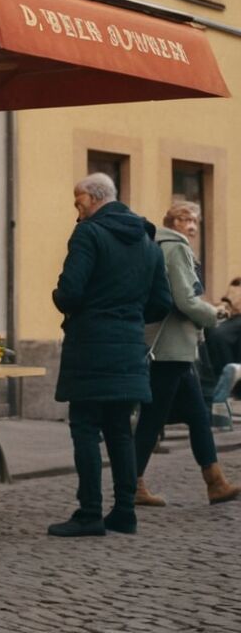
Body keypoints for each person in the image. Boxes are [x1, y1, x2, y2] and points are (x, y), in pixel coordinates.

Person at [49, 173, 172, 537]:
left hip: (90, 343)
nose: (77, 211)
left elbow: (70, 292)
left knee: (85, 426)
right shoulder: (148, 243)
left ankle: (88, 513)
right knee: (119, 429)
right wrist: (129, 318)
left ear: (91, 197)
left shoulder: (89, 234)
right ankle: (124, 512)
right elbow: (162, 302)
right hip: (129, 344)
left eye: (78, 202)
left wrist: (60, 299)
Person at [134, 203, 241, 508]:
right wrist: (216, 313)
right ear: (172, 222)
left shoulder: (157, 245)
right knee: (152, 420)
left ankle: (215, 482)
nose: (192, 225)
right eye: (185, 219)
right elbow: (185, 299)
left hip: (175, 347)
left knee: (196, 416)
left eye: (195, 219)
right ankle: (131, 485)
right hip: (170, 348)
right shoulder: (175, 248)